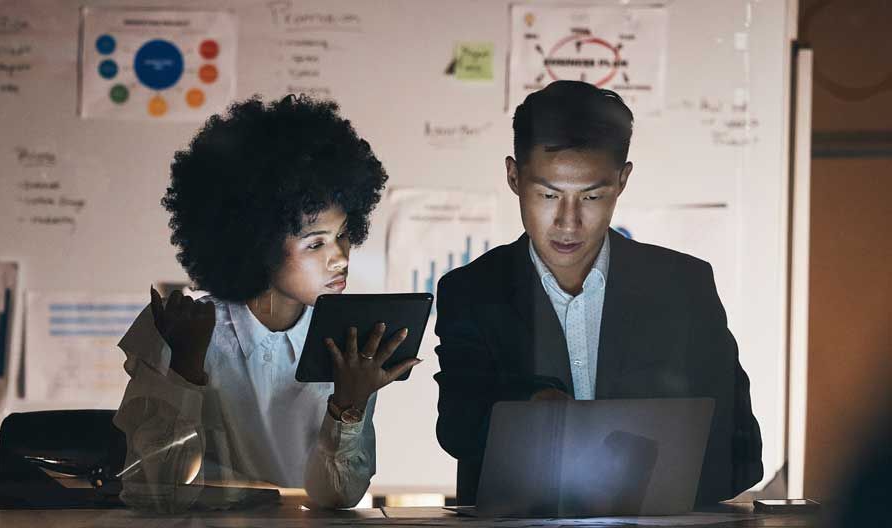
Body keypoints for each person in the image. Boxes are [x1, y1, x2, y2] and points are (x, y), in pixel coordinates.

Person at [431, 81, 763, 505]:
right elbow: (456, 430)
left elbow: (742, 454)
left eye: (592, 196)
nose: (568, 222)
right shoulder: (472, 291)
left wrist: (653, 474)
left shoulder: (684, 286)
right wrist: (529, 408)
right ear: (514, 177)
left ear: (622, 181)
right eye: (548, 194)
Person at [113, 95, 420, 511]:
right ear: (257, 245)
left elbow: (338, 496)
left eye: (344, 234)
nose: (342, 257)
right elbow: (157, 493)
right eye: (316, 243)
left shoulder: (347, 340)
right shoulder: (180, 326)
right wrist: (185, 369)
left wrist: (349, 406)